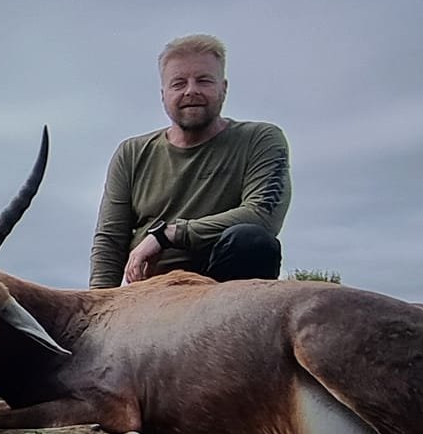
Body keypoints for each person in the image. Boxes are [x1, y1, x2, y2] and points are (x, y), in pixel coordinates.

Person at [89, 34, 289, 289]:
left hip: (223, 290)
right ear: (164, 94)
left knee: (251, 240)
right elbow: (110, 238)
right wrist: (97, 305)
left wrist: (167, 235)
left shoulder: (260, 139)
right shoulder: (131, 152)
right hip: (148, 293)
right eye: (178, 83)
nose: (191, 90)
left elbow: (262, 215)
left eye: (204, 81)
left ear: (223, 88)